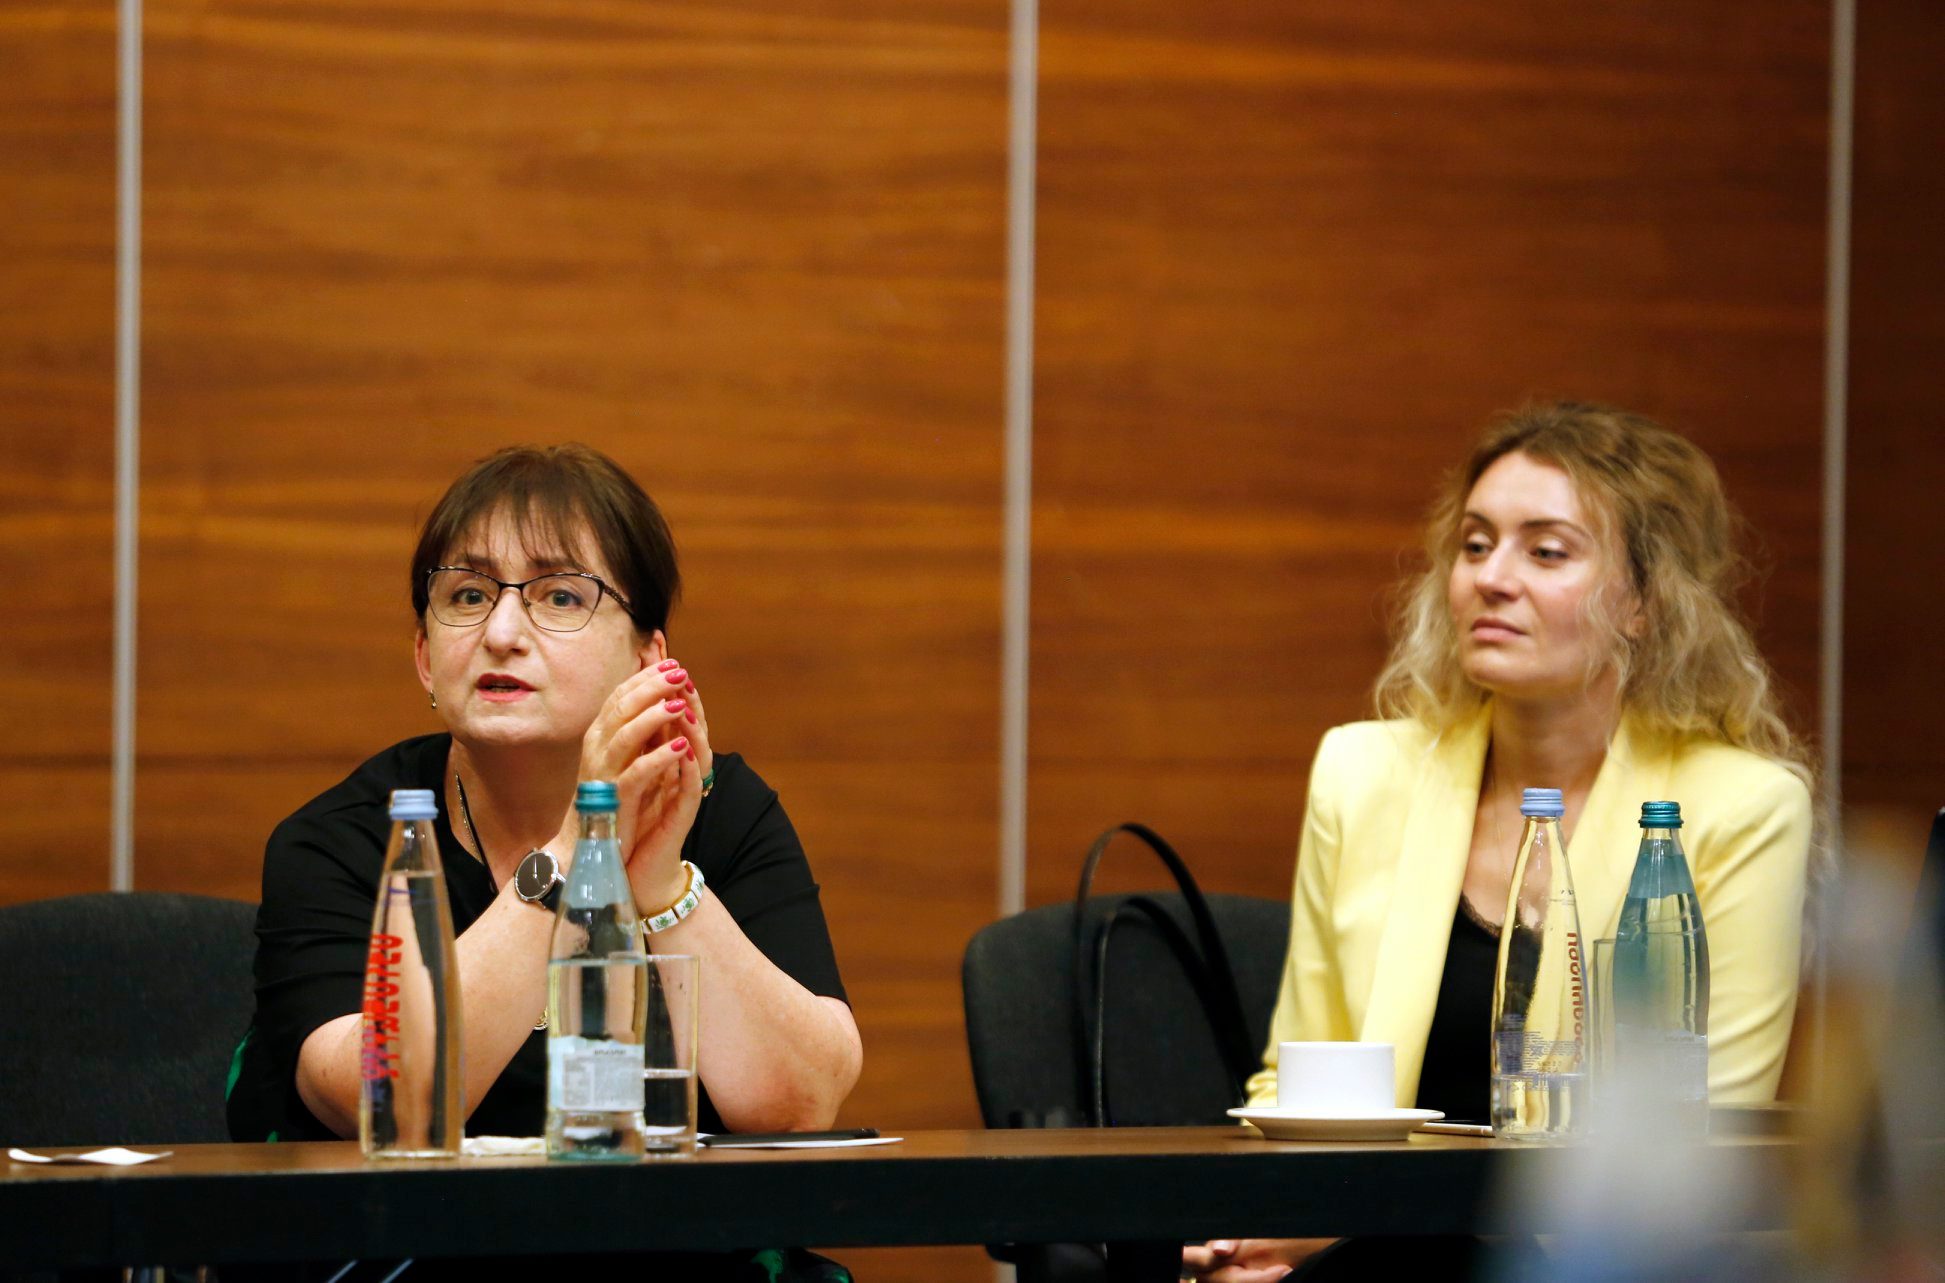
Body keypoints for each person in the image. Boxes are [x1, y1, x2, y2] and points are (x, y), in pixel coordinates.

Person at [1185, 402, 1814, 1283]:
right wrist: (1259, 1231)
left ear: (1644, 602)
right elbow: (1298, 1085)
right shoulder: (1361, 772)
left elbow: (1702, 1133)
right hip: (1364, 1253)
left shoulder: (1740, 807)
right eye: (1475, 544)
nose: (1491, 576)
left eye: (1545, 551)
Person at [227, 443, 862, 1278]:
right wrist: (578, 850)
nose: (500, 633)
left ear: (649, 662)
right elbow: (388, 1099)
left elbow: (801, 1103)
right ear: (425, 657)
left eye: (560, 595)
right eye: (467, 595)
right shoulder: (350, 839)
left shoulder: (716, 808)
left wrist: (661, 882)